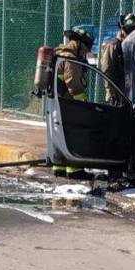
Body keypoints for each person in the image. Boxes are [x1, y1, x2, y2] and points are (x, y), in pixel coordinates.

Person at [52, 26, 94, 179]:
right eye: (86, 48)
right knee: (75, 134)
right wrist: (83, 104)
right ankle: (75, 170)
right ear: (81, 44)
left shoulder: (58, 53)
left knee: (59, 135)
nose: (85, 52)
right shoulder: (70, 58)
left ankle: (59, 166)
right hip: (69, 104)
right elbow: (74, 84)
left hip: (56, 102)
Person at [99, 13, 135, 104]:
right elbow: (107, 70)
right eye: (130, 30)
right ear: (123, 30)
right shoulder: (113, 46)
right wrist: (110, 94)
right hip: (118, 95)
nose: (132, 34)